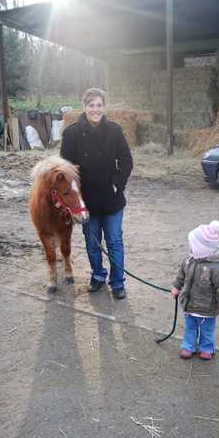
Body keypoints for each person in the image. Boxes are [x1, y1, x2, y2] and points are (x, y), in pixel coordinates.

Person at [60, 88, 133, 299]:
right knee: (92, 243)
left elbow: (126, 161)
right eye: (91, 105)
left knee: (114, 241)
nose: (95, 109)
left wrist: (116, 184)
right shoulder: (71, 133)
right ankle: (98, 276)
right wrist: (74, 196)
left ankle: (118, 282)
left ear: (104, 107)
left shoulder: (114, 130)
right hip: (86, 200)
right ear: (84, 107)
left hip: (111, 198)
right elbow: (66, 169)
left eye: (99, 105)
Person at [171, 220, 219, 360]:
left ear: (202, 248)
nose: (190, 247)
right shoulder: (189, 259)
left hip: (207, 307)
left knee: (207, 330)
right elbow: (181, 274)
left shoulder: (217, 268)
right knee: (190, 328)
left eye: (193, 245)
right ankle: (189, 346)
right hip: (190, 304)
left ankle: (206, 348)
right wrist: (176, 286)